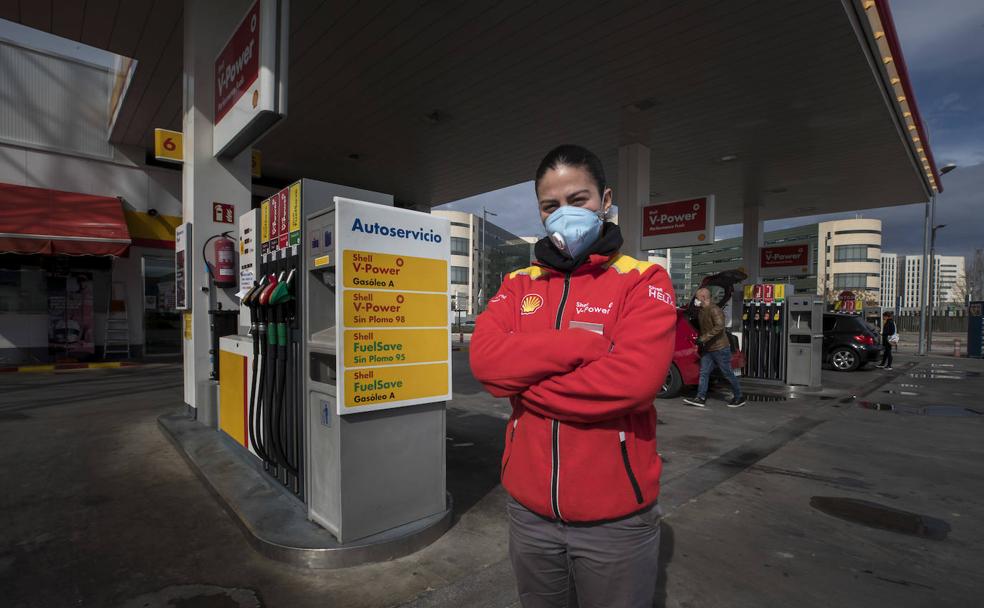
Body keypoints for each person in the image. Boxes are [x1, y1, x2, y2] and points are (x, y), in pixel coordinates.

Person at [470, 144, 677, 608]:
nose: (564, 213)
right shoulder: (518, 283)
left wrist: (523, 380)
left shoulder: (643, 280)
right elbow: (485, 363)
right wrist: (583, 347)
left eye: (578, 199)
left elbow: (633, 383)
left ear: (605, 201)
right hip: (529, 514)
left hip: (616, 521)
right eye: (551, 205)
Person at [682, 287, 746, 408]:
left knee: (727, 373)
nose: (696, 300)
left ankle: (739, 397)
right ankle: (700, 397)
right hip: (709, 348)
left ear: (703, 297)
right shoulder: (702, 310)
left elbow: (719, 327)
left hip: (720, 348)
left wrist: (703, 338)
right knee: (704, 372)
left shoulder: (714, 310)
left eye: (697, 298)